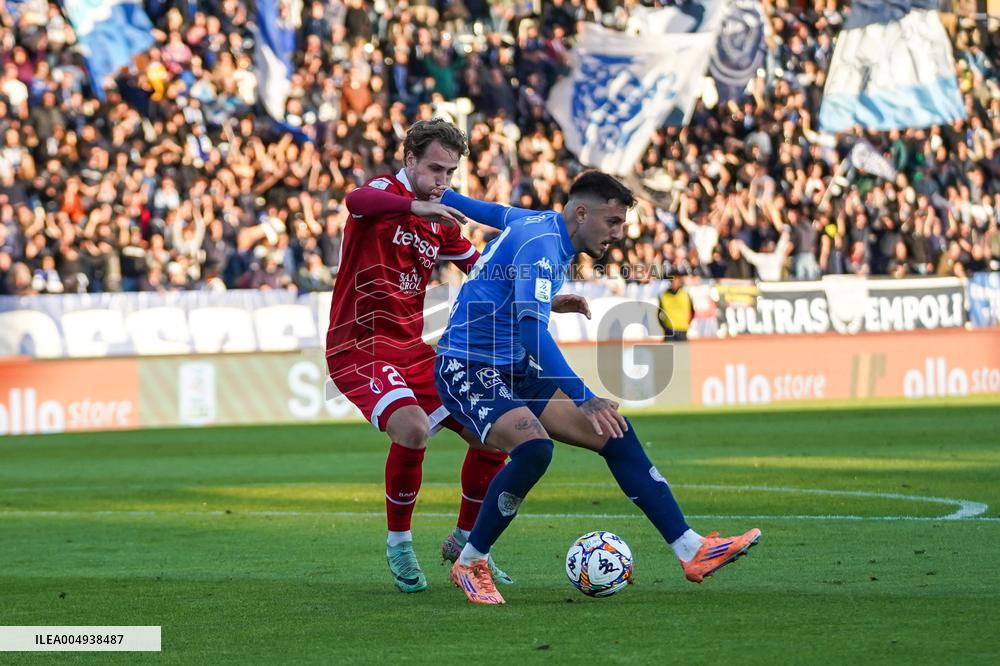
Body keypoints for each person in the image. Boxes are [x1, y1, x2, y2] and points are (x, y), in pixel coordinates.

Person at [433, 171, 761, 604]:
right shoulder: (543, 248)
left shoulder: (539, 224)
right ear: (581, 212)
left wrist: (444, 195)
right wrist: (582, 396)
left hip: (510, 363)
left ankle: (691, 548)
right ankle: (471, 560)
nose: (618, 234)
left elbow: (489, 212)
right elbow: (533, 335)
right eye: (612, 222)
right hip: (468, 364)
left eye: (622, 224)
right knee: (534, 448)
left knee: (614, 431)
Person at [324, 118, 585, 593]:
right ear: (409, 162)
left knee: (491, 436)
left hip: (412, 348)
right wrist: (416, 205)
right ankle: (399, 544)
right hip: (358, 347)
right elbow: (355, 200)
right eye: (433, 169)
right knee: (412, 427)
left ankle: (465, 541)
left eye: (449, 173)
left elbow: (485, 268)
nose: (441, 181)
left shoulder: (439, 223)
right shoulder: (384, 194)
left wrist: (544, 297)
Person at [657, 267, 693, 341]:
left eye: (677, 279)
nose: (675, 282)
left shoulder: (685, 294)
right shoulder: (664, 295)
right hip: (669, 331)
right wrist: (665, 327)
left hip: (682, 330)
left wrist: (688, 324)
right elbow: (659, 314)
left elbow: (692, 311)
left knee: (682, 352)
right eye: (673, 279)